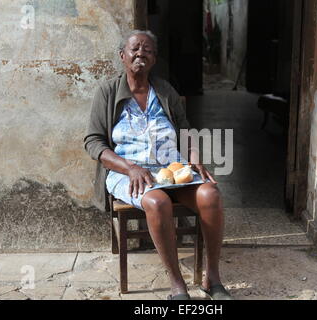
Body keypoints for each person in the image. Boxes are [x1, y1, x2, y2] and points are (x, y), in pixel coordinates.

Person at [84, 30, 234, 300]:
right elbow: (93, 143)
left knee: (211, 194)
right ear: (123, 56)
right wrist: (130, 168)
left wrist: (194, 156)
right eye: (135, 49)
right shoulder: (107, 92)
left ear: (154, 59)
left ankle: (213, 278)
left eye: (148, 50)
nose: (141, 53)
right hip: (128, 172)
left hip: (171, 170)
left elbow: (185, 130)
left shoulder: (165, 90)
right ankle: (177, 284)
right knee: (157, 202)